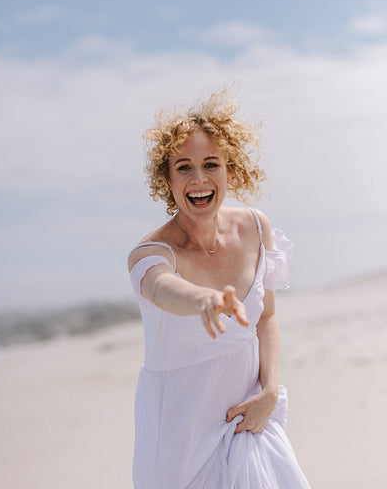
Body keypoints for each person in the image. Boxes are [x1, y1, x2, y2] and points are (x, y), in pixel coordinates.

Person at [128, 90, 311, 488]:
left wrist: (270, 391)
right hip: (181, 433)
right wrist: (204, 300)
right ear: (167, 178)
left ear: (231, 169)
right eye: (184, 168)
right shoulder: (151, 252)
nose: (199, 179)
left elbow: (267, 317)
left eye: (211, 164)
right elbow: (162, 288)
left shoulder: (255, 227)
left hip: (249, 417)